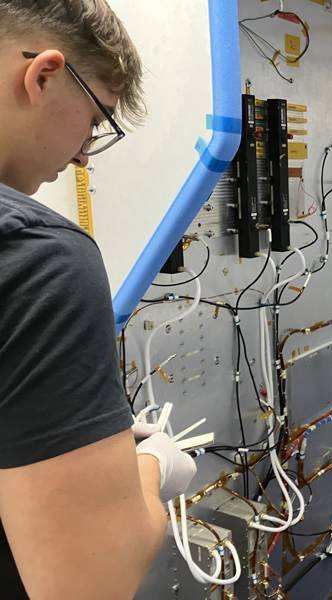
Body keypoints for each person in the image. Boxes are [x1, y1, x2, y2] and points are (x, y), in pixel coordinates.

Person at [0, 2, 196, 598]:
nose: (85, 153)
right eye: (95, 121)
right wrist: (153, 467)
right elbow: (90, 583)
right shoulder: (40, 258)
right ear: (44, 76)